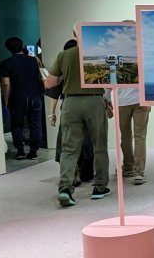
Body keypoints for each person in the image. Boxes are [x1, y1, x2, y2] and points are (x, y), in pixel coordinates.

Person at [45, 29, 113, 207]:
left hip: (71, 103)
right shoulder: (99, 54)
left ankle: (65, 188)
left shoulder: (64, 55)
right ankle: (99, 187)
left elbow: (50, 83)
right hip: (94, 101)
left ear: (74, 34)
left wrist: (65, 76)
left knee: (69, 148)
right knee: (99, 146)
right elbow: (110, 81)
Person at [0, 36, 45, 160]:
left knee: (17, 125)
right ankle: (34, 151)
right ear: (21, 45)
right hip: (35, 96)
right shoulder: (34, 60)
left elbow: (6, 83)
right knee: (35, 124)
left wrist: (6, 99)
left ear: (8, 48)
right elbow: (42, 75)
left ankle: (20, 151)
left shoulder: (6, 63)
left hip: (18, 98)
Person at [116, 77, 151, 185]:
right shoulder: (143, 64)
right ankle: (139, 173)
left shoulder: (119, 65)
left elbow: (109, 83)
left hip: (123, 101)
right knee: (140, 137)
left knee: (125, 136)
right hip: (141, 100)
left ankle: (128, 167)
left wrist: (107, 99)